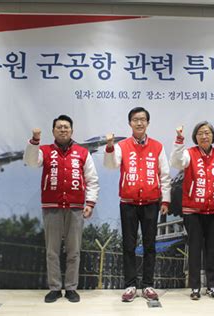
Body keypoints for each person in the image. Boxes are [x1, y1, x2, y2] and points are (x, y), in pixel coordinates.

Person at [24, 114, 99, 303]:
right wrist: (34, 140)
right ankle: (55, 288)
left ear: (72, 130)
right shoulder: (45, 150)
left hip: (75, 208)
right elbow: (31, 161)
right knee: (52, 251)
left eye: (66, 127)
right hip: (52, 208)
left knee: (74, 251)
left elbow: (92, 180)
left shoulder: (82, 153)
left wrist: (89, 204)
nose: (63, 129)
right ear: (53, 131)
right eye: (59, 127)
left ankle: (71, 288)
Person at [103, 107, 171, 302]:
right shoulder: (122, 145)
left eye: (142, 119)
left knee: (150, 245)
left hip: (151, 203)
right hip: (128, 203)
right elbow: (110, 165)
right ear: (130, 123)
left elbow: (164, 174)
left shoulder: (157, 146)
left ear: (148, 123)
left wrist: (165, 199)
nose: (139, 123)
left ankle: (148, 285)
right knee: (128, 246)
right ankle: (130, 285)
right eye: (135, 120)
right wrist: (109, 146)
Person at [170, 122, 214, 301]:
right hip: (193, 210)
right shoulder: (188, 154)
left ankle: (212, 285)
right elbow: (175, 162)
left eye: (207, 133)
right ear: (195, 137)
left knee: (212, 250)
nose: (204, 136)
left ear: (213, 135)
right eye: (200, 133)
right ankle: (195, 287)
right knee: (195, 249)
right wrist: (178, 141)